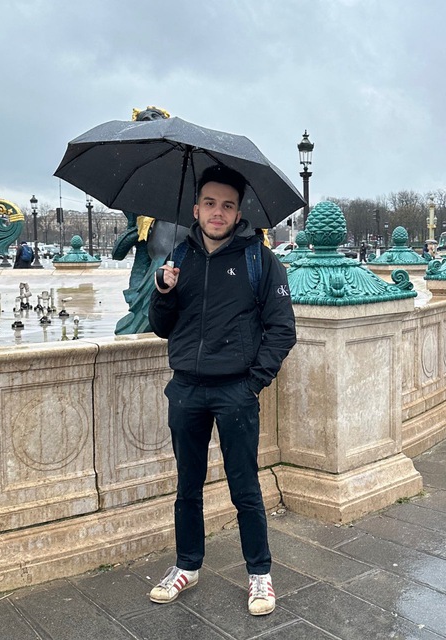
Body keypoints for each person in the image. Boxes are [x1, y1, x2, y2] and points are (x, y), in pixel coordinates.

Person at [148, 165, 296, 616]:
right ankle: (187, 565)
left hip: (235, 391)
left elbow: (282, 329)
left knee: (245, 486)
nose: (218, 212)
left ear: (238, 212)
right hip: (186, 389)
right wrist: (163, 291)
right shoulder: (178, 257)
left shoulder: (260, 260)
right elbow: (161, 327)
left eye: (227, 205)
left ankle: (260, 574)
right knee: (187, 487)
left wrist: (253, 383)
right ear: (196, 209)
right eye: (210, 203)